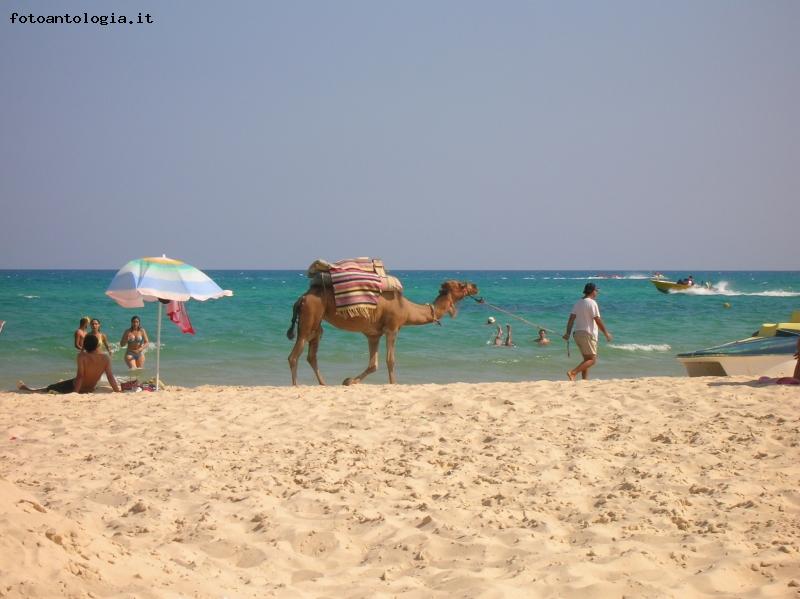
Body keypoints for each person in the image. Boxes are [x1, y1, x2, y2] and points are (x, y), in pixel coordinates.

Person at [18, 333, 121, 394]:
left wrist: (75, 393)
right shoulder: (105, 357)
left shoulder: (82, 356)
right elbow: (110, 377)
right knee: (59, 384)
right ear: (97, 345)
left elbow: (80, 376)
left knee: (49, 388)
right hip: (90, 388)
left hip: (75, 386)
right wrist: (117, 391)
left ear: (85, 345)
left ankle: (27, 390)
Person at [563, 283, 612, 381]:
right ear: (592, 291)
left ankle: (584, 380)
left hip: (577, 334)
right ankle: (573, 373)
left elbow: (571, 319)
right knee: (592, 360)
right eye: (596, 290)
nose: (597, 292)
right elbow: (597, 319)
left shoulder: (578, 302)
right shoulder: (592, 303)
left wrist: (568, 333)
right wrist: (606, 333)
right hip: (587, 334)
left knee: (586, 359)